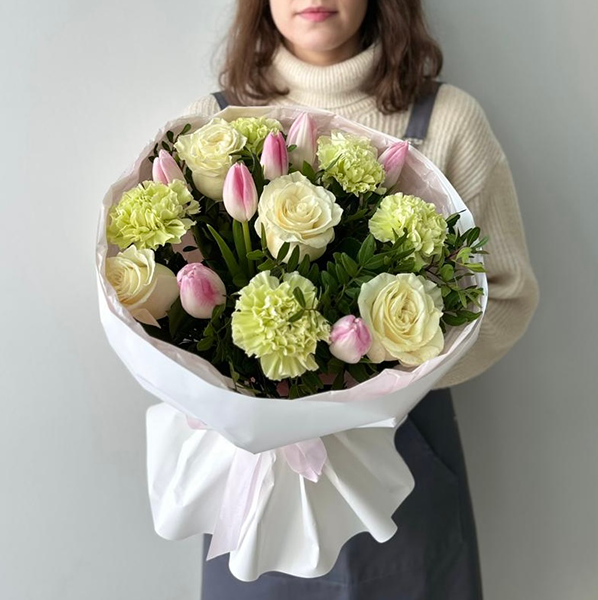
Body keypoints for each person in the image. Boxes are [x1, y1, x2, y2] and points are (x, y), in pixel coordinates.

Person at [183, 1, 540, 598]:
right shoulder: (215, 128)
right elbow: (176, 293)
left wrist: (381, 378)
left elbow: (507, 295)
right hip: (262, 466)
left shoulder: (447, 120)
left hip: (406, 447)